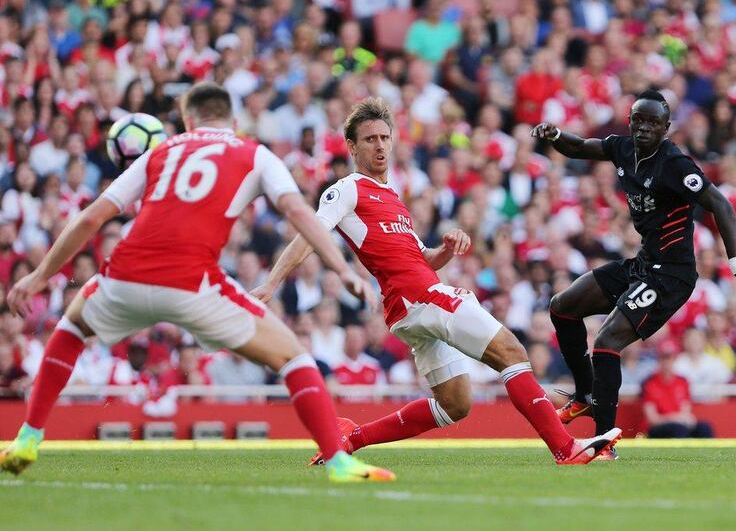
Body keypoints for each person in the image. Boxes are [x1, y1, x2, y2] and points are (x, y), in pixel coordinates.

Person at [0, 82, 394, 484]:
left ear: (188, 120)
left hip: (126, 275)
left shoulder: (161, 150)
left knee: (70, 329)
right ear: (234, 121)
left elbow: (90, 218)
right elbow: (296, 210)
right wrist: (343, 270)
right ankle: (339, 461)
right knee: (294, 359)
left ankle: (29, 437)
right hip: (194, 284)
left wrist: (38, 276)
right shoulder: (254, 153)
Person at [254, 97, 621, 466]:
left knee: (455, 404)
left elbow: (421, 258)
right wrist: (271, 284)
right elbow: (309, 234)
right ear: (351, 146)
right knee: (511, 352)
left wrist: (447, 248)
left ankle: (351, 438)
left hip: (410, 304)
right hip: (418, 296)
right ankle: (565, 447)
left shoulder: (392, 198)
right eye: (369, 139)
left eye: (384, 137)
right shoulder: (347, 189)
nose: (379, 145)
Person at [532, 90, 736, 458]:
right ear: (630, 121)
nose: (643, 127)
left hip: (671, 276)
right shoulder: (622, 148)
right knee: (562, 306)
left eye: (652, 122)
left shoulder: (675, 164)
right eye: (638, 120)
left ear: (666, 128)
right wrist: (554, 136)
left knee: (608, 340)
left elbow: (720, 204)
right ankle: (584, 395)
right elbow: (581, 146)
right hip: (643, 264)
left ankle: (603, 442)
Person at [641, 351, 714, 439]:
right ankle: (682, 452)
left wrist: (683, 419)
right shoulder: (649, 383)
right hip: (658, 427)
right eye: (664, 360)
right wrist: (676, 418)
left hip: (679, 423)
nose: (667, 364)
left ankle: (706, 452)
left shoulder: (682, 381)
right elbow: (652, 419)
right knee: (679, 428)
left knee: (704, 427)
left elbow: (686, 411)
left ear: (674, 361)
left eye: (669, 360)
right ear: (659, 362)